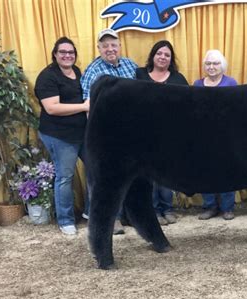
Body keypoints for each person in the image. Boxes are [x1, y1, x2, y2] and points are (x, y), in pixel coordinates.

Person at [81, 28, 138, 234]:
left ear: (120, 46)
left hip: (132, 130)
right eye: (105, 46)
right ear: (99, 48)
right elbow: (89, 106)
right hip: (109, 132)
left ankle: (131, 216)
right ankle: (111, 219)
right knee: (109, 178)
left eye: (113, 45)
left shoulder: (130, 65)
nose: (110, 49)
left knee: (132, 175)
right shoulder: (94, 71)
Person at [34, 37, 89, 235]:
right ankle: (65, 220)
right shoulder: (47, 77)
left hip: (82, 132)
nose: (67, 55)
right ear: (55, 54)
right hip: (59, 135)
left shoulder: (77, 72)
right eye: (63, 52)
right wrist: (84, 107)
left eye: (71, 52)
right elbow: (52, 108)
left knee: (96, 170)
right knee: (65, 177)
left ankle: (90, 212)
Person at [135, 40, 189, 226]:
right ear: (153, 55)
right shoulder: (139, 74)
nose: (163, 57)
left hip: (169, 134)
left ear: (171, 59)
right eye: (159, 53)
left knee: (166, 174)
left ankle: (167, 208)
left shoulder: (178, 79)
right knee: (148, 174)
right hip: (143, 133)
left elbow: (187, 106)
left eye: (167, 55)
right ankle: (153, 211)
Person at [193, 50, 237, 220]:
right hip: (203, 136)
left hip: (227, 135)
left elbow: (237, 109)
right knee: (206, 171)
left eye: (215, 63)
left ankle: (227, 208)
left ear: (222, 66)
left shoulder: (231, 83)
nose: (211, 67)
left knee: (228, 170)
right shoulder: (197, 84)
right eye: (208, 64)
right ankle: (209, 206)